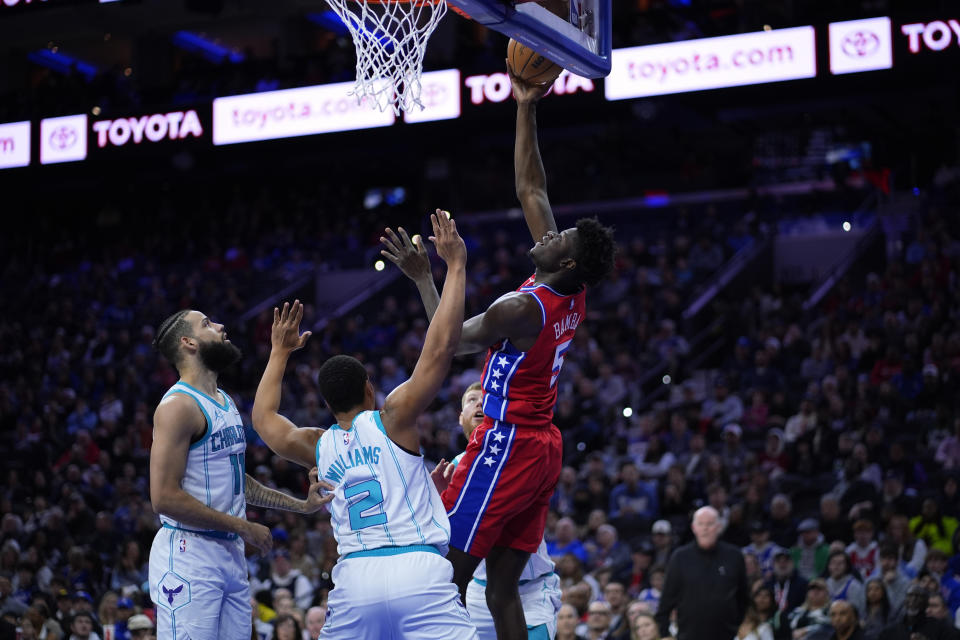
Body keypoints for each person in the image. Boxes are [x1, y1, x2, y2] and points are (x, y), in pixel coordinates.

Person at [379, 64, 615, 640]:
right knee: (503, 589)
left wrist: (424, 277)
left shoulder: (521, 308)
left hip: (507, 443)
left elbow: (452, 343)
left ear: (564, 263)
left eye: (556, 240)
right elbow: (531, 189)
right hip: (542, 448)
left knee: (446, 577)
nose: (546, 235)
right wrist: (525, 106)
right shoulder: (571, 290)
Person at [250, 212, 477, 639]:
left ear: (326, 403)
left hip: (355, 578)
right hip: (417, 569)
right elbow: (443, 346)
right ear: (369, 390)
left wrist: (279, 351)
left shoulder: (317, 445)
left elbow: (263, 419)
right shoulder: (393, 418)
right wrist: (455, 265)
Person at [148, 307, 333, 639]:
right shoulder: (177, 406)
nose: (220, 325)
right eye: (206, 323)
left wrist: (300, 506)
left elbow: (237, 482)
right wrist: (243, 526)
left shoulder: (224, 401)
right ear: (188, 342)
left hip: (230, 554)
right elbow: (163, 497)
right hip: (190, 554)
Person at [432, 382, 563, 640]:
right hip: (476, 592)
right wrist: (435, 501)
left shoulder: (522, 455)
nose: (479, 403)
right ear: (460, 418)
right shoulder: (448, 471)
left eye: (486, 399)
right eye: (471, 400)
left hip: (531, 590)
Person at [655, 506, 749, 640]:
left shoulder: (734, 556)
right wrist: (664, 634)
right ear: (694, 528)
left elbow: (743, 597)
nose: (705, 528)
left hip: (726, 635)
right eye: (701, 524)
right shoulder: (680, 557)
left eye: (710, 524)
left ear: (719, 527)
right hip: (688, 635)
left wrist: (735, 626)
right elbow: (667, 600)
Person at [877, 584, 959, 640]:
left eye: (918, 596)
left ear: (926, 603)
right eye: (910, 596)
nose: (913, 600)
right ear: (905, 601)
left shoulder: (943, 629)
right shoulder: (889, 632)